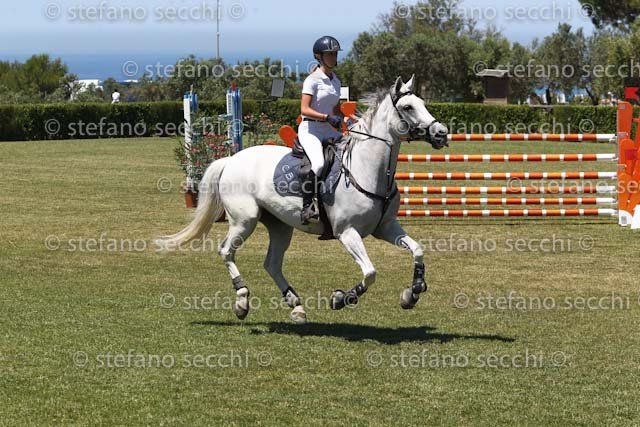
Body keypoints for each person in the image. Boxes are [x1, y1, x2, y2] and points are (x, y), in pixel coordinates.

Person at [298, 35, 344, 224]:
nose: (334, 57)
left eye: (335, 54)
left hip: (328, 129)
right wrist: (327, 117)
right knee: (318, 164)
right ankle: (307, 207)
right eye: (330, 54)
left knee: (350, 152)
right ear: (319, 56)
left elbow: (337, 109)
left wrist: (352, 120)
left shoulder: (336, 81)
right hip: (311, 129)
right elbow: (304, 109)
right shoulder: (312, 80)